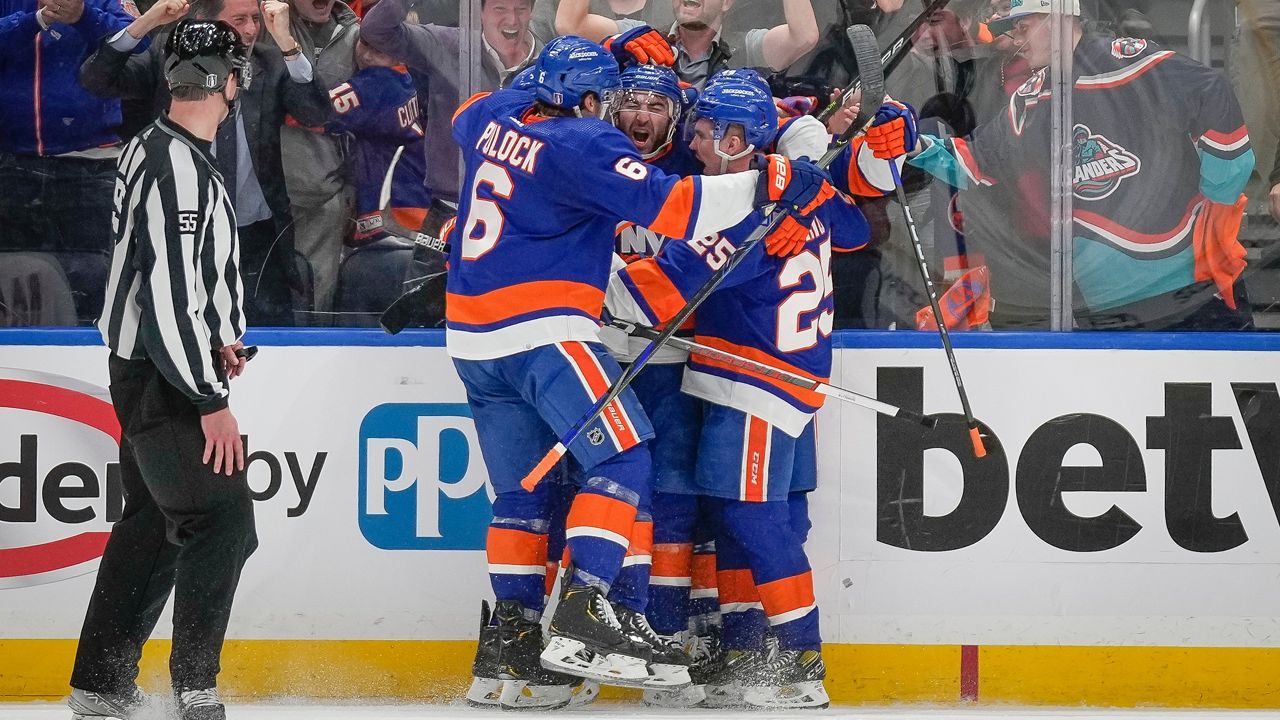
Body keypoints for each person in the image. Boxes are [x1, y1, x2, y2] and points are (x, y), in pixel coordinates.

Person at [446, 34, 834, 702]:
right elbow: (677, 208)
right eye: (614, 99)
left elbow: (472, 112)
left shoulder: (489, 116)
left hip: (472, 338)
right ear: (590, 99)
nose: (623, 114)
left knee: (520, 494)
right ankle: (586, 612)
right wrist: (774, 184)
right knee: (625, 457)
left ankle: (509, 648)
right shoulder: (587, 144)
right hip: (545, 328)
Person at [605, 75, 880, 709]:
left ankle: (800, 660)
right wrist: (811, 177)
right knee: (752, 514)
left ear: (736, 140)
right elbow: (854, 226)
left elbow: (656, 293)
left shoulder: (747, 215)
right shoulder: (791, 190)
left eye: (703, 133)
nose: (692, 142)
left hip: (754, 383)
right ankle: (751, 651)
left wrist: (561, 278)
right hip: (787, 379)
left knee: (750, 516)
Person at [68, 20, 256, 720]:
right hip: (165, 376)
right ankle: (196, 687)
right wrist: (208, 396)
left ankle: (101, 681)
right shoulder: (175, 162)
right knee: (223, 520)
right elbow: (170, 293)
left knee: (152, 523)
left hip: (159, 363)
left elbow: (180, 282)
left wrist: (216, 337)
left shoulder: (164, 148)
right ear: (226, 81)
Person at [908, 0, 1255, 329]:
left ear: (1057, 16)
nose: (1015, 40)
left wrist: (1220, 196)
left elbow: (1213, 89)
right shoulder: (1031, 98)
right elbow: (975, 161)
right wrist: (910, 144)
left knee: (1236, 391)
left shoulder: (1129, 60)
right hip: (1104, 307)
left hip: (1191, 295)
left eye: (1022, 26)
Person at [80, 0, 332, 326]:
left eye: (255, 19)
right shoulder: (167, 59)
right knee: (185, 329)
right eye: (239, 19)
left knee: (264, 343)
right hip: (178, 238)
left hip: (255, 243)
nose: (252, 29)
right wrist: (146, 23)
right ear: (204, 22)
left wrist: (287, 43)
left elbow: (316, 112)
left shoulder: (270, 63)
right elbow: (96, 80)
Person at [0, 0, 138, 324]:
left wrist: (83, 16)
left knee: (98, 275)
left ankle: (99, 355)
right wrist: (34, 21)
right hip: (13, 162)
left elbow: (137, 40)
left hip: (91, 161)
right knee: (17, 280)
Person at [360, 0, 550, 205]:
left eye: (520, 9)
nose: (512, 20)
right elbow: (376, 30)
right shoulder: (448, 45)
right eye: (500, 9)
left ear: (531, 11)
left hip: (520, 208)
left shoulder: (550, 63)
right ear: (479, 12)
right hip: (450, 201)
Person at [278, 0, 361, 316]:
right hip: (261, 196)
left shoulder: (356, 35)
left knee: (317, 294)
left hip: (324, 191)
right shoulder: (266, 26)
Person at [555, 0, 820, 89]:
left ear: (727, 2)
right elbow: (570, 25)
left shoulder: (746, 48)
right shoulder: (642, 37)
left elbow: (804, 37)